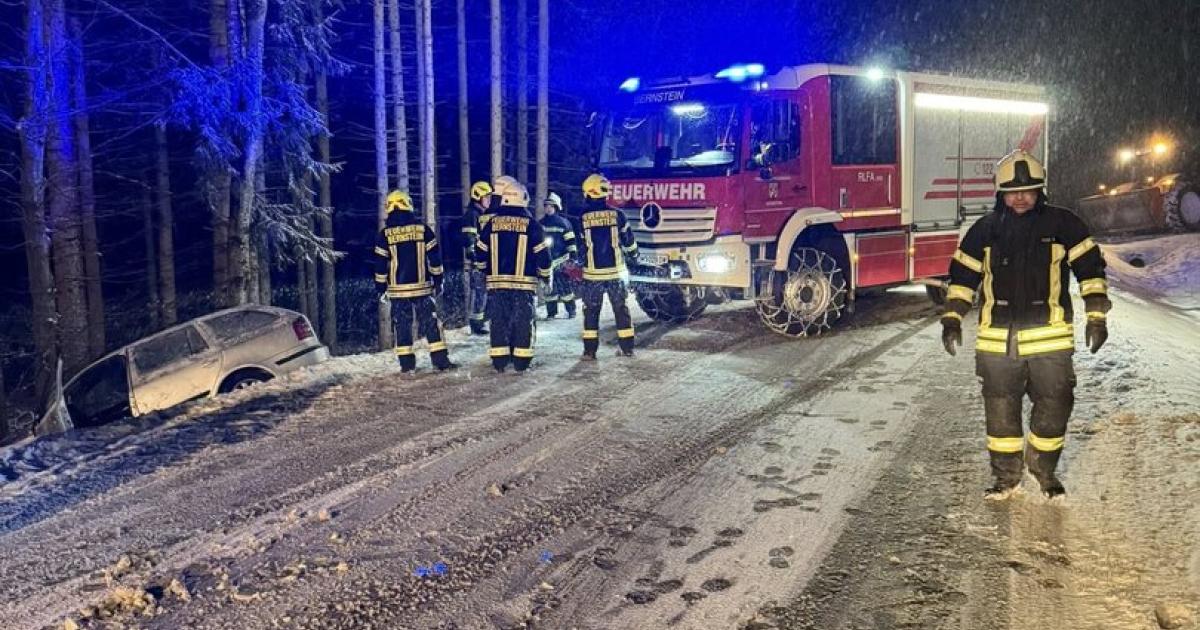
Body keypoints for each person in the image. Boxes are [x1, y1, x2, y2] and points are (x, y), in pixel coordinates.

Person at [941, 150, 1110, 501]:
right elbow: (962, 280)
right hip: (997, 344)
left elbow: (1090, 272)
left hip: (1050, 341)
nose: (1020, 197)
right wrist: (952, 318)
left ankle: (1043, 470)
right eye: (1012, 191)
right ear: (999, 193)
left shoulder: (1064, 226)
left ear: (1041, 191)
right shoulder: (984, 231)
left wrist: (1097, 316)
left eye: (1029, 190)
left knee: (1056, 405)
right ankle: (1006, 479)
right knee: (1001, 417)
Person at [473, 176, 552, 373]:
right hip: (524, 286)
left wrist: (483, 271)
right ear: (523, 198)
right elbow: (543, 256)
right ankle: (521, 361)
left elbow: (480, 253)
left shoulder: (491, 224)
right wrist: (545, 276)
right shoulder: (533, 225)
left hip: (497, 285)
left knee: (498, 320)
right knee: (524, 321)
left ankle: (500, 360)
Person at [374, 190, 458, 373]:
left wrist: (380, 288)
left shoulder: (385, 235)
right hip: (422, 288)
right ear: (408, 204)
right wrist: (438, 280)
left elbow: (380, 265)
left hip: (398, 291)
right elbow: (435, 259)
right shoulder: (422, 230)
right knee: (431, 324)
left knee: (402, 327)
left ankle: (407, 365)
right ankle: (440, 361)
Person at [577, 173, 639, 359]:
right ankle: (627, 349)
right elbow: (629, 242)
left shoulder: (582, 217)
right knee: (621, 310)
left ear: (589, 193)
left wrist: (581, 262)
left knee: (591, 313)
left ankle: (589, 352)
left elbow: (581, 247)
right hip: (616, 273)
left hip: (592, 275)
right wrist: (634, 257)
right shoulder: (618, 215)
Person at [460, 181, 493, 335]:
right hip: (477, 262)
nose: (489, 200)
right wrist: (475, 256)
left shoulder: (479, 214)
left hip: (482, 260)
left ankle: (481, 321)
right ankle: (476, 324)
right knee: (480, 292)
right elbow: (469, 237)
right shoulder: (472, 215)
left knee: (483, 292)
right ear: (478, 197)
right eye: (486, 197)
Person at [539, 192, 579, 319]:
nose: (548, 208)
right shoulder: (540, 224)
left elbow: (571, 242)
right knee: (549, 287)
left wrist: (573, 256)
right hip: (546, 261)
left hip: (561, 259)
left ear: (556, 207)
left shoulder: (564, 223)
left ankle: (571, 310)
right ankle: (551, 312)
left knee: (564, 286)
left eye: (551, 206)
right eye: (546, 206)